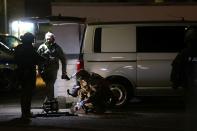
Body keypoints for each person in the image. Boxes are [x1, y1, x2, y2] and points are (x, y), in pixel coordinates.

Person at [170, 26, 197, 131]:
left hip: (190, 89)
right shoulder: (184, 53)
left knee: (191, 116)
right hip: (190, 88)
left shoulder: (184, 53)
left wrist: (175, 83)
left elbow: (176, 69)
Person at [14, 32, 42, 120]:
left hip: (20, 73)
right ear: (29, 40)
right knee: (28, 93)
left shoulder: (18, 48)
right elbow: (38, 59)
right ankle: (27, 113)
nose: (33, 41)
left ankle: (24, 113)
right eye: (32, 39)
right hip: (29, 73)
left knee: (23, 93)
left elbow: (15, 59)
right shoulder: (30, 48)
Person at [37, 32, 70, 103]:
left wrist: (64, 73)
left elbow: (63, 60)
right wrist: (38, 70)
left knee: (50, 84)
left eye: (50, 39)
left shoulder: (57, 48)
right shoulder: (41, 47)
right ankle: (49, 100)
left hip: (53, 70)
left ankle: (49, 100)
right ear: (45, 39)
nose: (48, 40)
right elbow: (37, 59)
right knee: (48, 85)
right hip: (44, 70)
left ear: (53, 39)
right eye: (47, 39)